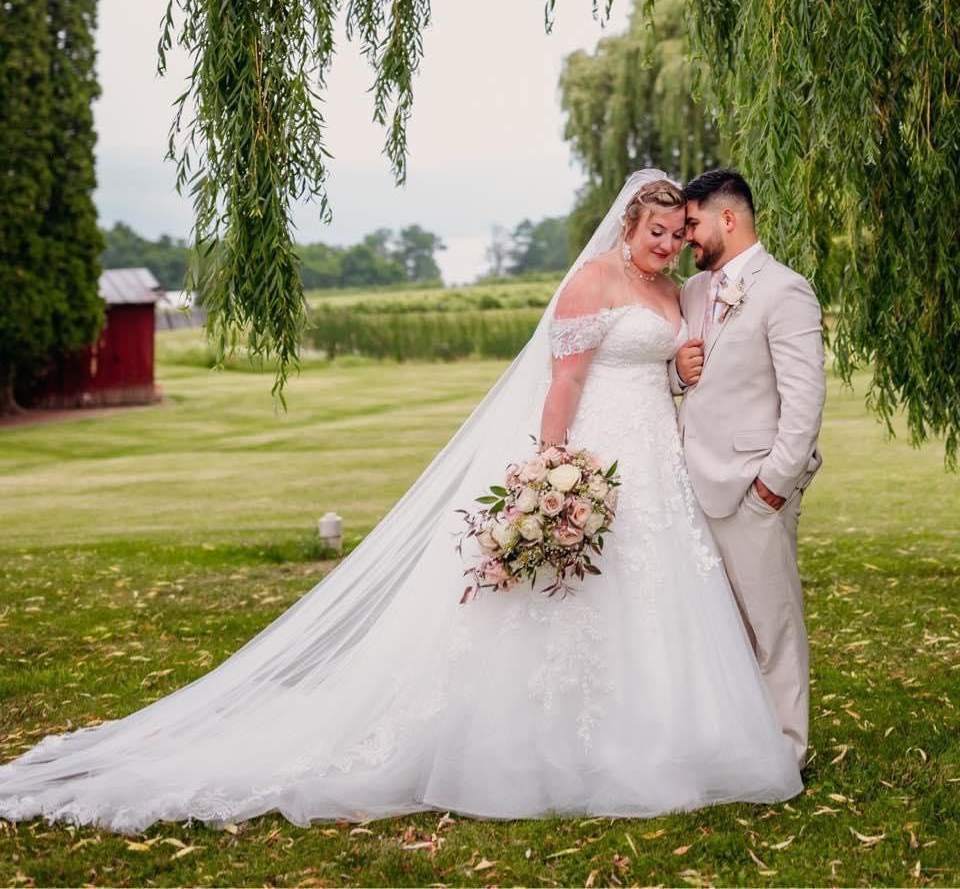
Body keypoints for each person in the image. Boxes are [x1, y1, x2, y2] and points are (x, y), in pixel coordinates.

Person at [0, 170, 801, 833]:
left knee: (655, 596)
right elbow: (564, 382)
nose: (668, 245)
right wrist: (552, 471)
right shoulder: (592, 281)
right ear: (627, 226)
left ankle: (661, 736)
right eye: (656, 232)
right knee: (568, 600)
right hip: (594, 453)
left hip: (657, 464)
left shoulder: (676, 297)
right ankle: (537, 742)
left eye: (677, 233)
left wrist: (682, 372)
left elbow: (669, 369)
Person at [671, 168, 826, 770]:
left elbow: (804, 401)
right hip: (690, 486)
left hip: (751, 490)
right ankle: (736, 741)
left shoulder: (785, 290)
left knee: (772, 625)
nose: (686, 239)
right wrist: (676, 373)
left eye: (692, 225)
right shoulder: (691, 293)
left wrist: (772, 488)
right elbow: (678, 377)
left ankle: (787, 751)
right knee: (719, 629)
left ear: (727, 218)